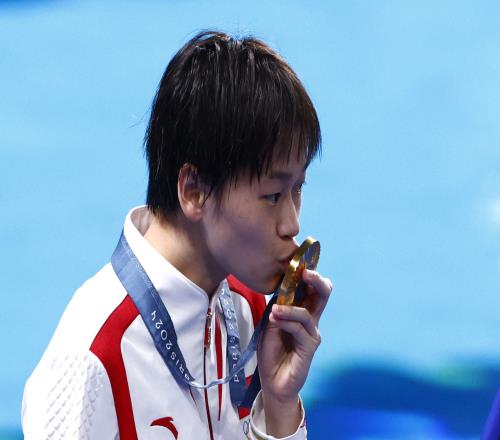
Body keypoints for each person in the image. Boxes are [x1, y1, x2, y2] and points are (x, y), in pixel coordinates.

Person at [21, 30, 333, 439]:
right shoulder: (91, 359)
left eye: (298, 189)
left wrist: (280, 405)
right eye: (273, 195)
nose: (291, 224)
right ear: (194, 190)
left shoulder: (251, 313)